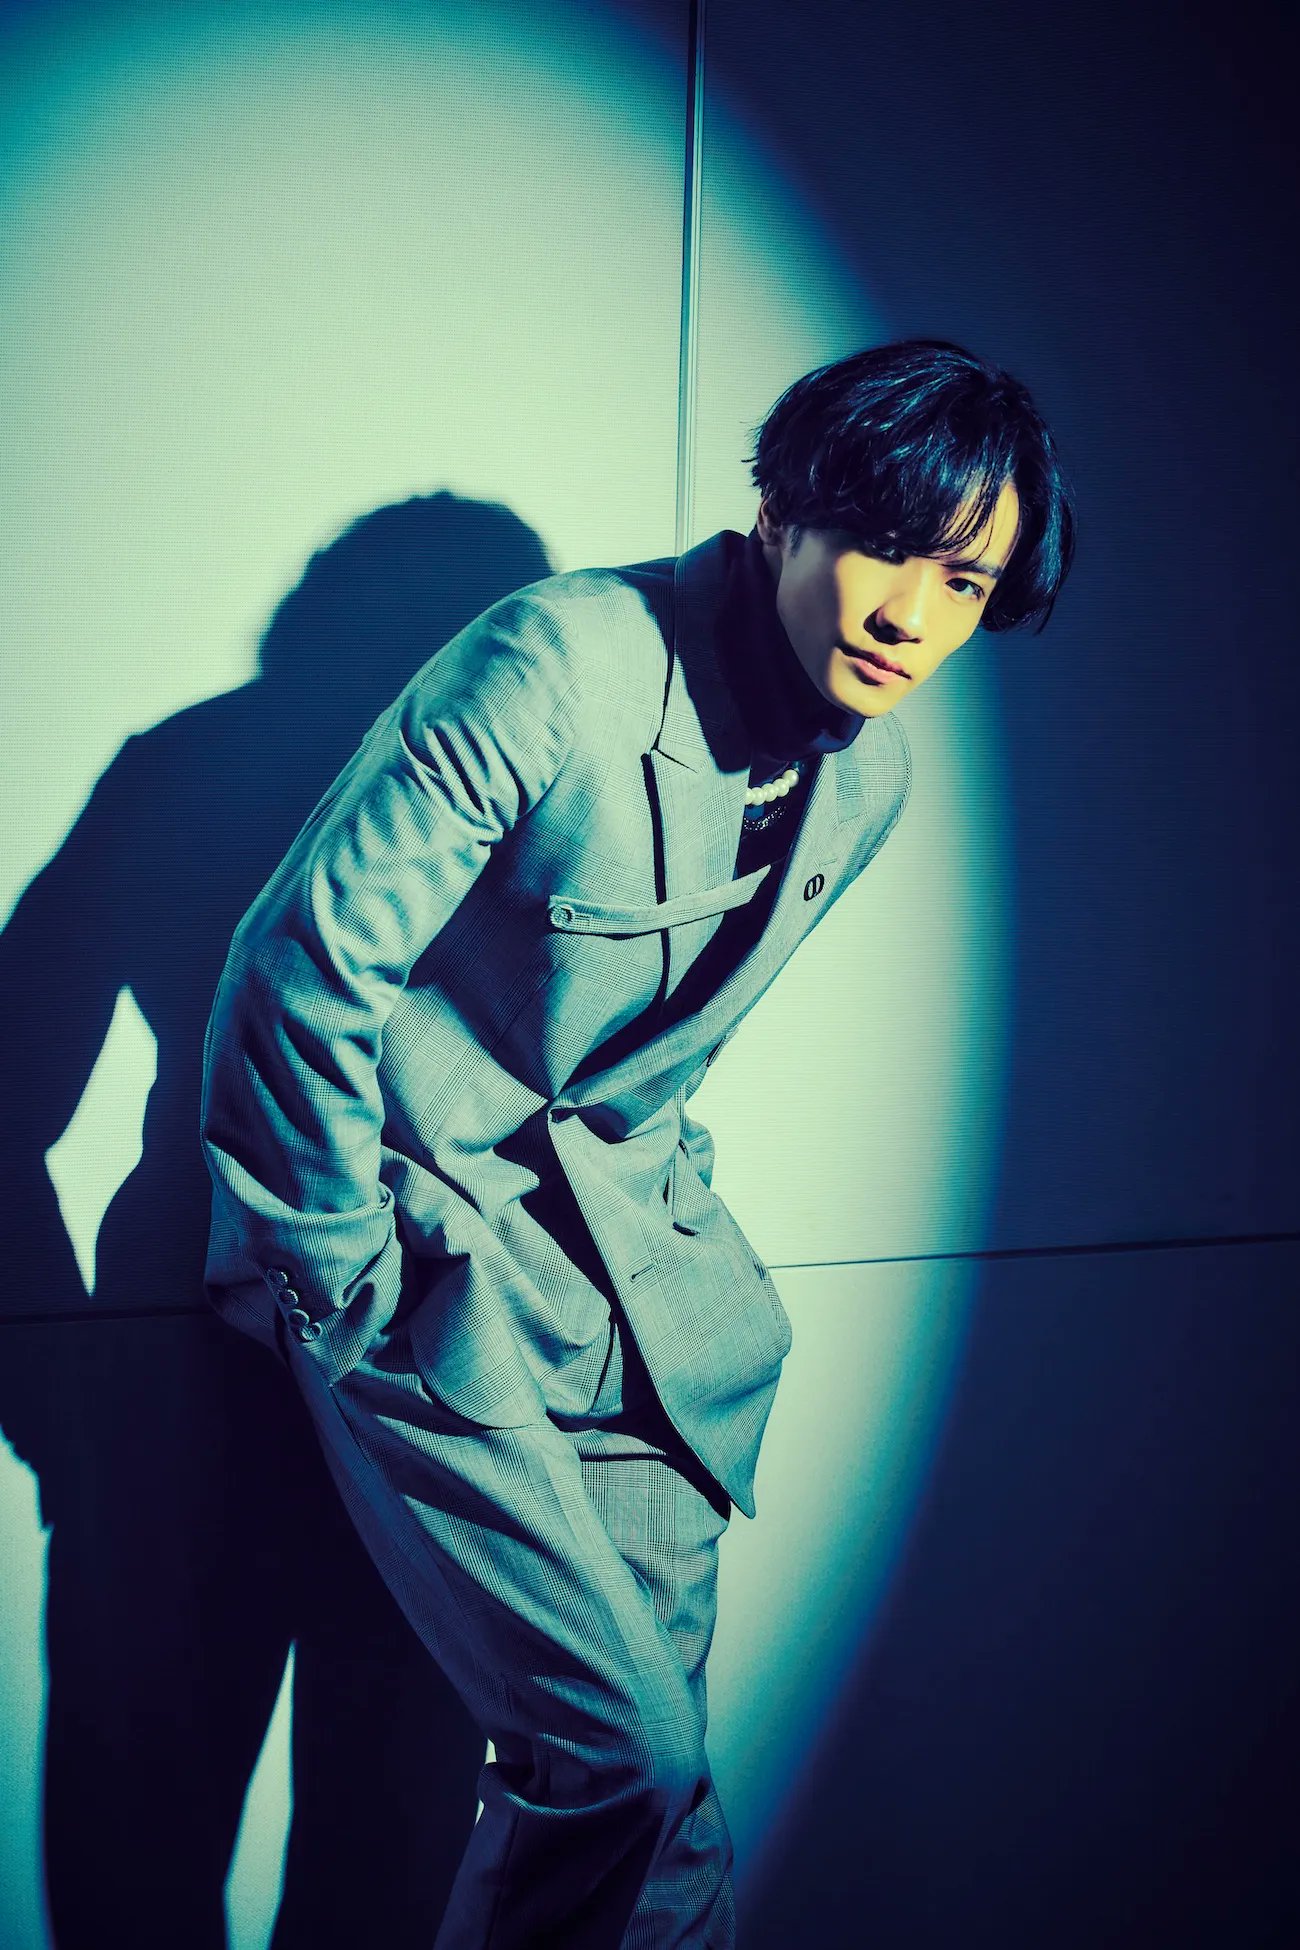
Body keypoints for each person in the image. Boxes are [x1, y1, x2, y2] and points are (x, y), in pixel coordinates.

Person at [199, 337, 1075, 1947]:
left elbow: (640, 1065)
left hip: (631, 1303)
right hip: (407, 1258)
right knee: (619, 1754)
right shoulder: (557, 660)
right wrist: (340, 1276)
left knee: (669, 1829)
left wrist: (670, 1266)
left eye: (963, 582)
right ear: (784, 510)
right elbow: (297, 971)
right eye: (885, 546)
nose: (911, 616)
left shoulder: (866, 779)